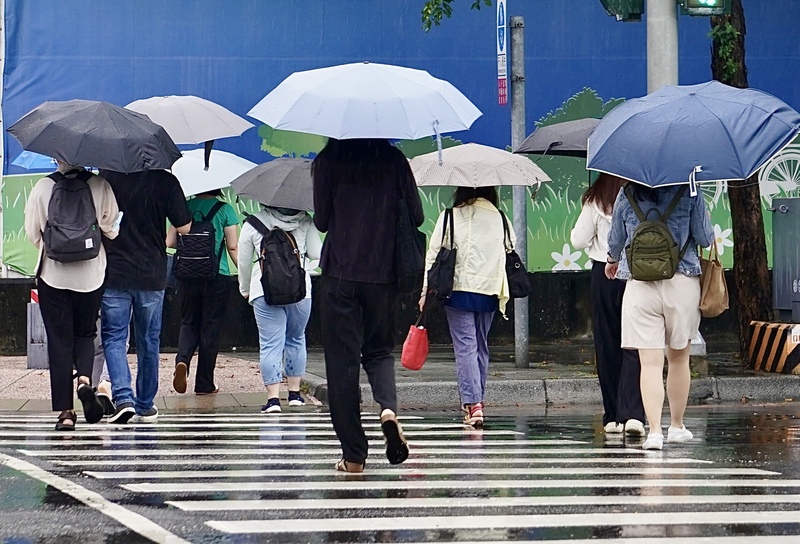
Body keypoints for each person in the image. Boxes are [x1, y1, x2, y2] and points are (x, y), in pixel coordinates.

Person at [311, 138, 422, 472]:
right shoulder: (393, 159)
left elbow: (321, 222)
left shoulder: (328, 159)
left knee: (342, 365)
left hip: (340, 275)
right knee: (378, 351)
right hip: (383, 275)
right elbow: (415, 215)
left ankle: (354, 455)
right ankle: (388, 409)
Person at [606, 182, 713, 450]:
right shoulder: (690, 190)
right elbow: (704, 238)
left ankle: (654, 431)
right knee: (679, 359)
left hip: (639, 283)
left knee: (649, 363)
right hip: (682, 281)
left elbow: (615, 240)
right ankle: (676, 426)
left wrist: (611, 261)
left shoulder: (627, 192)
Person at [24, 161, 120, 430]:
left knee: (59, 340)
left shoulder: (43, 187)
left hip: (53, 276)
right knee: (86, 333)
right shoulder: (101, 185)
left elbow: (32, 233)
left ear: (57, 158)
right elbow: (111, 229)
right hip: (91, 275)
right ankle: (85, 382)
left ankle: (66, 412)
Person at [99, 169, 192, 424]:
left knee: (114, 336)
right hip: (151, 273)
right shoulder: (166, 181)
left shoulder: (106, 177)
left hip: (114, 271)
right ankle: (145, 404)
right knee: (149, 340)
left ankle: (123, 397)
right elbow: (185, 227)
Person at [419, 187, 509, 428]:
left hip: (457, 290)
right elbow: (509, 249)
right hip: (490, 291)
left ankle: (473, 404)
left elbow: (433, 255)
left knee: (465, 346)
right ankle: (477, 400)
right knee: (480, 345)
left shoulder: (450, 215)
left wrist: (424, 291)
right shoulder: (500, 217)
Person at [570, 174, 646, 437]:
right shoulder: (641, 193)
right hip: (637, 272)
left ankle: (612, 415)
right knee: (634, 342)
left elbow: (578, 240)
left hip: (604, 274)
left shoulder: (595, 199)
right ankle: (634, 414)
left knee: (607, 344)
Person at [237, 205, 322, 413]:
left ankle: (273, 399)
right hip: (300, 291)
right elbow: (316, 252)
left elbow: (244, 260)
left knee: (270, 344)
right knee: (296, 338)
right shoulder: (305, 220)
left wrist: (245, 287)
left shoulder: (253, 223)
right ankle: (294, 394)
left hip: (264, 289)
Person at [166, 189, 239, 396]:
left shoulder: (185, 208)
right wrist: (244, 275)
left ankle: (182, 360)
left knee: (189, 322)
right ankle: (204, 383)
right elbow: (232, 247)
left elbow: (170, 242)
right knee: (210, 327)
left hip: (187, 276)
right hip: (218, 275)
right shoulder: (225, 210)